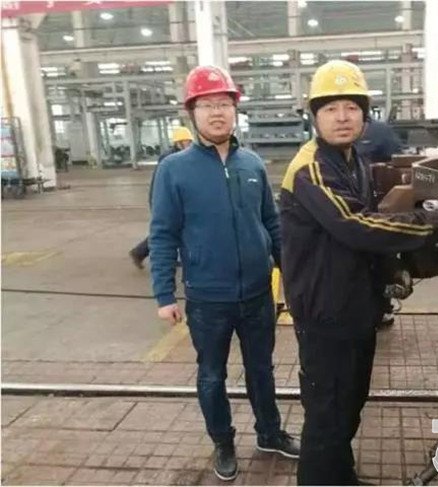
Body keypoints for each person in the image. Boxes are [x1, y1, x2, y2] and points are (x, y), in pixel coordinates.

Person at [279, 60, 438, 485]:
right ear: (314, 116)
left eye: (351, 107)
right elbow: (356, 225)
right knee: (327, 417)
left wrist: (392, 270)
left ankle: (340, 478)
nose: (342, 117)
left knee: (349, 408)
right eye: (330, 108)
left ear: (364, 115)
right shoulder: (311, 169)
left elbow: (370, 221)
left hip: (356, 307)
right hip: (325, 315)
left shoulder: (353, 160)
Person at [149, 65, 300, 482]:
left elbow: (271, 224)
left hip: (257, 294)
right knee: (211, 375)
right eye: (207, 105)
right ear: (192, 113)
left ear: (235, 110)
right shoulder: (173, 169)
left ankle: (269, 433)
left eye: (224, 104)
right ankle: (223, 441)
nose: (217, 112)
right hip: (207, 298)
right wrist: (164, 294)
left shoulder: (252, 163)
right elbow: (162, 235)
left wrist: (292, 275)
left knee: (262, 370)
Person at [355, 117, 404, 328]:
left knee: (381, 260)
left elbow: (399, 163)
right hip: (354, 207)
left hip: (377, 207)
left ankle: (383, 309)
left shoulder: (380, 132)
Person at [128, 126, 193, 269]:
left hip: (171, 196)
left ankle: (140, 252)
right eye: (186, 142)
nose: (189, 144)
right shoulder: (169, 158)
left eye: (190, 141)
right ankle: (140, 253)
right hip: (163, 197)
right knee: (167, 229)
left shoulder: (180, 156)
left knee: (175, 228)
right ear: (178, 143)